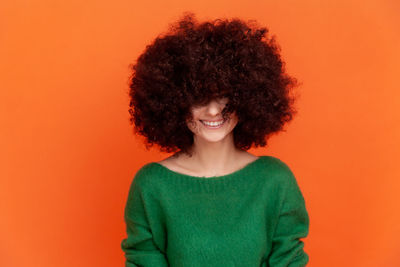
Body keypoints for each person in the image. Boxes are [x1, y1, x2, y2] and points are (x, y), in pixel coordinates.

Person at [121, 11, 309, 267]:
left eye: (224, 97)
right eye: (199, 98)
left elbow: (289, 261)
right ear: (176, 103)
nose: (212, 111)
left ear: (247, 99)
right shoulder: (152, 186)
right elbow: (143, 259)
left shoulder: (274, 181)